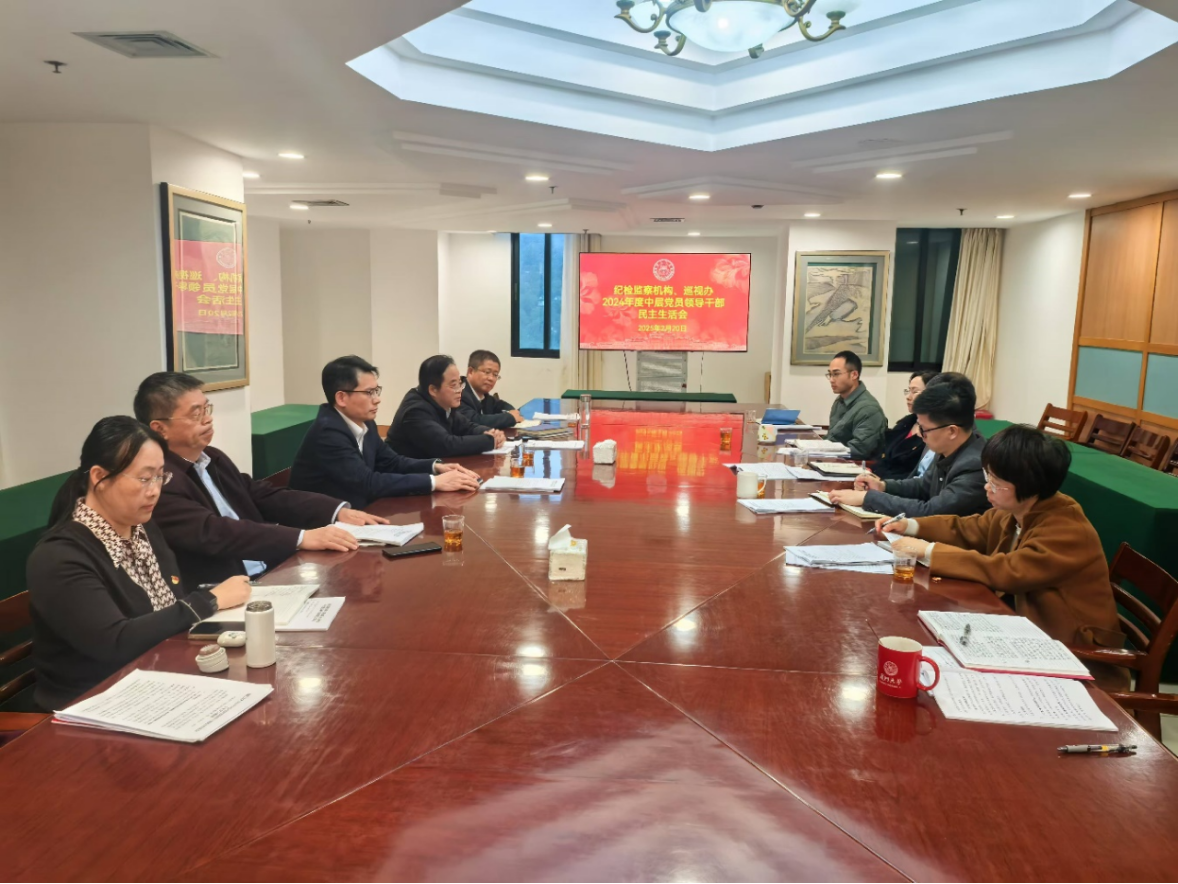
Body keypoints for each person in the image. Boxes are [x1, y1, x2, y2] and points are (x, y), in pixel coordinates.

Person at [26, 417, 252, 709]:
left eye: (160, 477)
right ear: (99, 476)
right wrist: (208, 601)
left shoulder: (143, 528)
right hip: (93, 702)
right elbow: (115, 643)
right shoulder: (59, 557)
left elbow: (169, 606)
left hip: (160, 677)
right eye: (144, 479)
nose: (155, 490)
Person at [880, 425, 1125, 679]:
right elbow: (968, 528)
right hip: (1025, 630)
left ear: (1028, 485)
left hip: (1072, 651)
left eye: (996, 484)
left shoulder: (1066, 528)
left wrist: (928, 550)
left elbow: (1010, 571)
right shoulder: (1019, 509)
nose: (987, 488)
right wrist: (911, 525)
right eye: (988, 477)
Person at [135, 372, 385, 587]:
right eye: (195, 414)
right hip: (224, 589)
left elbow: (262, 494)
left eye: (207, 409)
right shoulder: (160, 481)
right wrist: (301, 538)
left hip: (270, 570)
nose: (207, 419)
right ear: (159, 429)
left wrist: (336, 511)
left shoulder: (212, 457)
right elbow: (215, 532)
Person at [290, 356, 481, 508]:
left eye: (377, 391)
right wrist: (434, 482)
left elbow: (391, 461)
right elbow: (367, 483)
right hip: (321, 526)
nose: (377, 399)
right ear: (341, 398)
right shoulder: (328, 433)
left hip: (359, 513)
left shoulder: (365, 423)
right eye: (369, 393)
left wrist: (435, 467)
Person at [830, 378, 988, 518]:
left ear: (952, 431)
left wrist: (868, 498)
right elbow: (922, 486)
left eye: (924, 430)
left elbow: (932, 512)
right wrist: (883, 486)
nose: (920, 435)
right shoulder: (948, 449)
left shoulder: (974, 465)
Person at [387, 355, 507, 458]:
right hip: (404, 474)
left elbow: (466, 427)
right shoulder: (415, 410)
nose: (460, 390)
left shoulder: (443, 402)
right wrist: (490, 441)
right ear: (433, 390)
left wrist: (489, 432)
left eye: (460, 384)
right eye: (453, 385)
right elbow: (446, 445)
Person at [871, 370, 938, 480]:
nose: (908, 397)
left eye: (914, 392)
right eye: (908, 391)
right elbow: (883, 455)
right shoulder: (906, 423)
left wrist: (883, 483)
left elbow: (914, 474)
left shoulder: (934, 433)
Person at [825, 350, 887, 460]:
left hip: (855, 465)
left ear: (854, 374)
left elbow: (858, 450)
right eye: (830, 374)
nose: (831, 380)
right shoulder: (840, 401)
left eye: (836, 374)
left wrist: (821, 451)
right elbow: (833, 437)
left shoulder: (869, 409)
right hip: (834, 460)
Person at [458, 350, 522, 430]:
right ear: (470, 372)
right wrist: (510, 417)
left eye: (495, 375)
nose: (491, 378)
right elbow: (475, 421)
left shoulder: (484, 395)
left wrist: (513, 412)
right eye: (487, 372)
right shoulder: (459, 394)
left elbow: (500, 405)